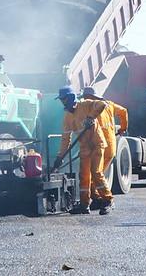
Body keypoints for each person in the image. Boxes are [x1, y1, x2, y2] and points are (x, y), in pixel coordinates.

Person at [52, 86, 113, 215]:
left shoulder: (85, 105)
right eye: (61, 100)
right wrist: (60, 157)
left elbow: (102, 104)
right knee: (84, 176)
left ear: (70, 98)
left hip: (97, 144)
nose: (62, 102)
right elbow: (65, 139)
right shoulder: (67, 117)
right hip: (85, 147)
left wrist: (91, 117)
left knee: (96, 172)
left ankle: (107, 200)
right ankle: (85, 205)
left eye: (64, 99)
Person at [81, 86, 128, 205]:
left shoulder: (90, 107)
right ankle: (97, 198)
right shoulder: (109, 104)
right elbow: (123, 111)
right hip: (110, 145)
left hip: (99, 145)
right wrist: (123, 128)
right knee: (97, 173)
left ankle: (99, 199)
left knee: (95, 174)